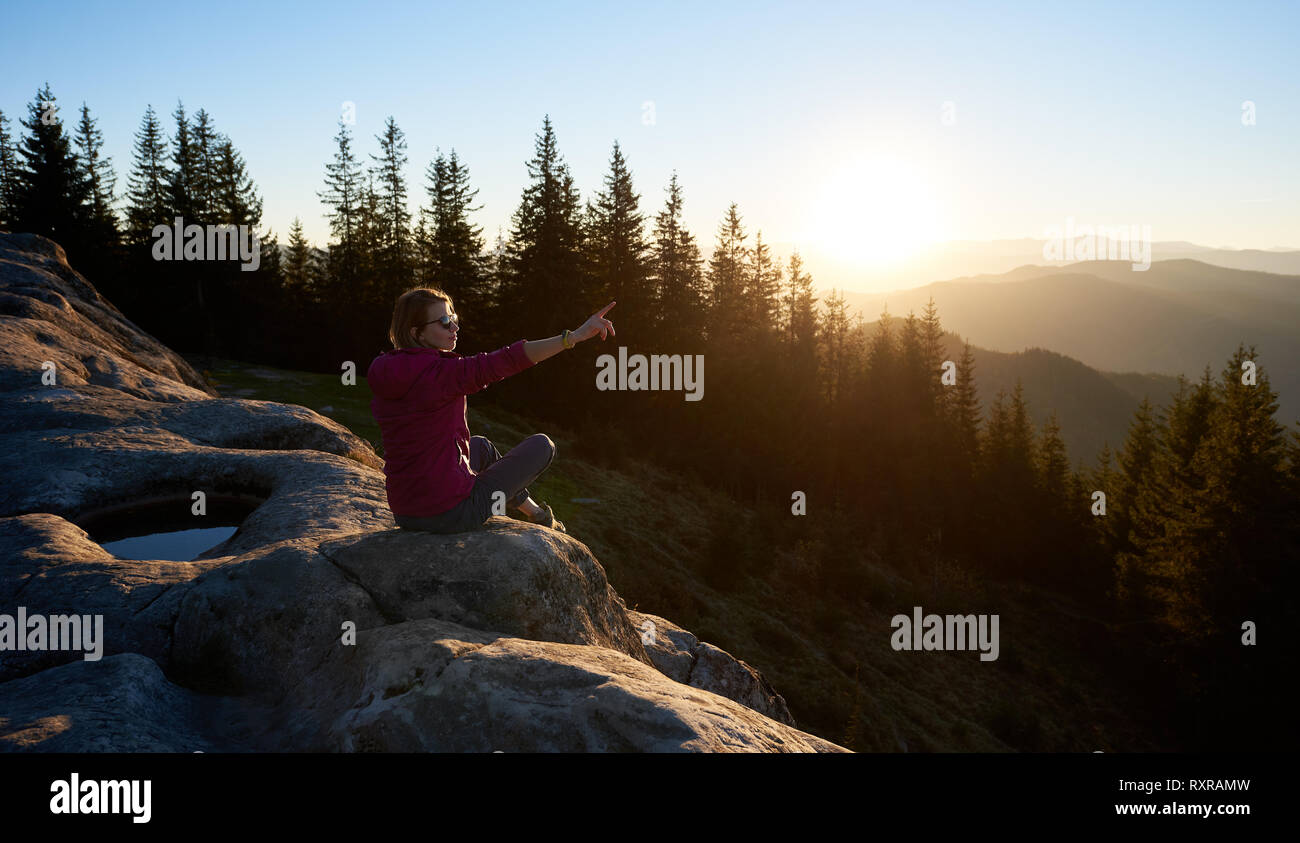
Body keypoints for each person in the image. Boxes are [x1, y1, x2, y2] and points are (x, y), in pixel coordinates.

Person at [366, 287, 615, 535]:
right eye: (444, 322)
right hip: (450, 514)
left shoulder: (388, 369)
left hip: (404, 509)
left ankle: (538, 515)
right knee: (543, 446)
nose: (454, 327)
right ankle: (534, 517)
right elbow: (507, 360)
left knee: (481, 447)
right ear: (416, 333)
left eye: (453, 318)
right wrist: (573, 337)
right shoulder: (441, 374)